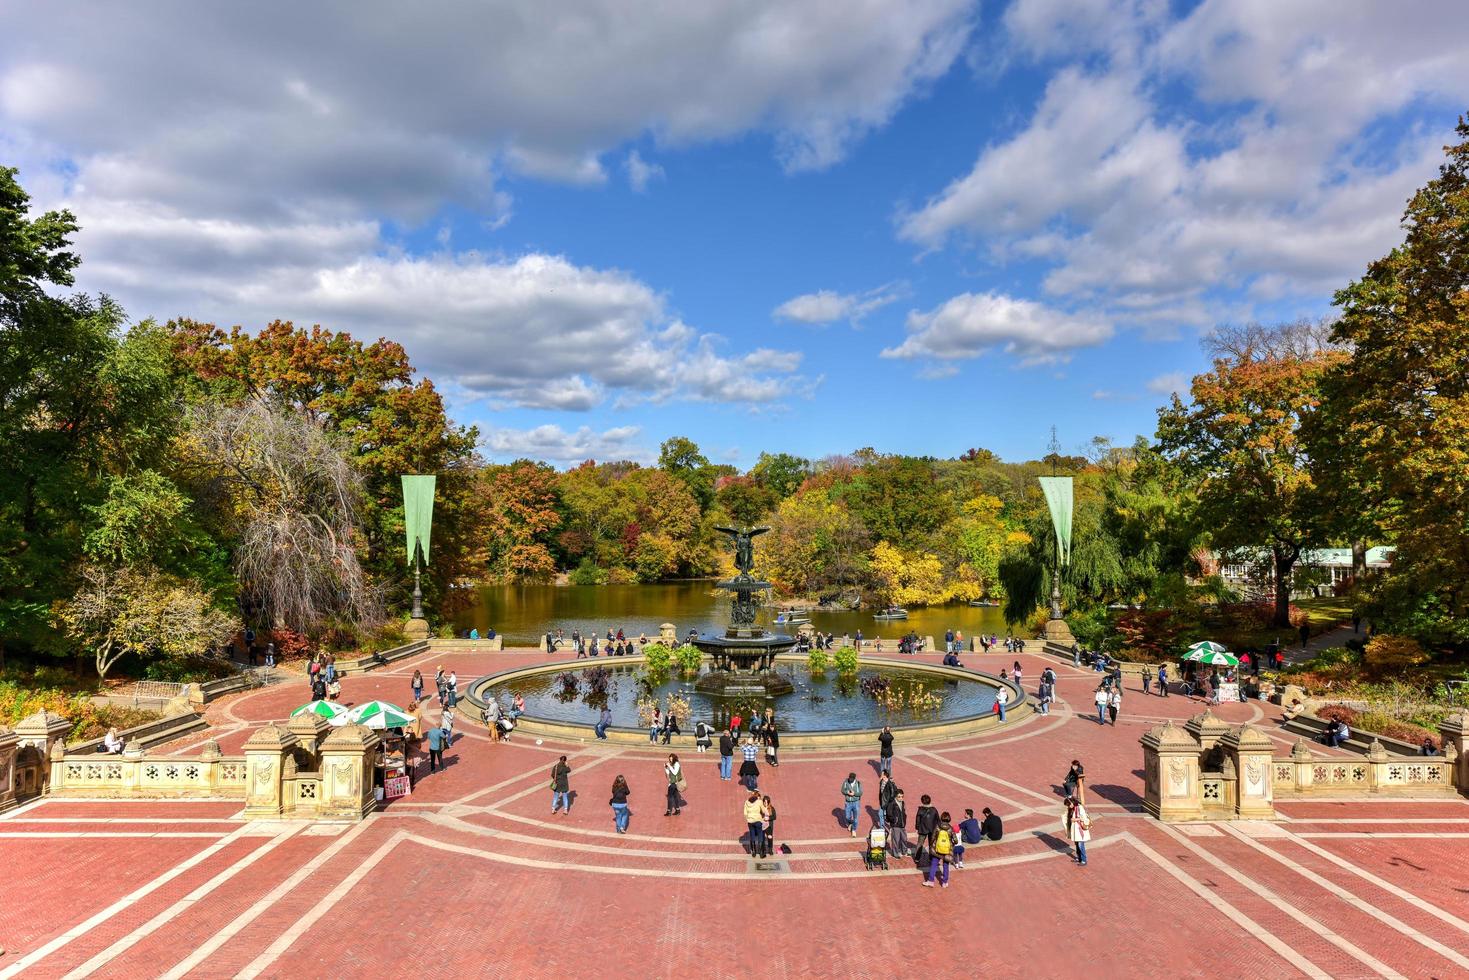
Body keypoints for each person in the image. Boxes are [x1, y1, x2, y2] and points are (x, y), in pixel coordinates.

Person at [927, 812, 956, 888]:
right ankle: (944, 882)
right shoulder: (950, 828)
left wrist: (931, 845)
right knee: (946, 866)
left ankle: (931, 881)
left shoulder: (937, 827)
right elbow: (955, 840)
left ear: (941, 818)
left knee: (934, 864)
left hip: (937, 849)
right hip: (947, 850)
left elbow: (932, 837)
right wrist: (952, 844)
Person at [1066, 795, 1091, 866]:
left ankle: (1083, 860)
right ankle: (1079, 857)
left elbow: (1084, 818)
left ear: (1072, 802)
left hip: (1080, 829)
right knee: (1077, 844)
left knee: (1080, 844)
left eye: (1068, 804)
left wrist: (1075, 819)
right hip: (1075, 829)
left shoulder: (1079, 808)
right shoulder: (1073, 808)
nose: (1068, 806)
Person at [885, 789, 910, 858]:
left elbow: (903, 812)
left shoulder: (903, 803)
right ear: (895, 797)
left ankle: (904, 851)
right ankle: (895, 854)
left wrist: (904, 819)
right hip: (895, 825)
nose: (901, 798)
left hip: (902, 824)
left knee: (904, 839)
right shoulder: (892, 804)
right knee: (896, 840)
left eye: (902, 796)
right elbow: (889, 814)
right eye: (899, 797)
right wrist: (894, 820)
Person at [744, 791, 766, 856]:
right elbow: (764, 810)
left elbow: (745, 813)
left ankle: (753, 852)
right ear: (757, 796)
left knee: (752, 835)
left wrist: (748, 818)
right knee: (760, 834)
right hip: (758, 820)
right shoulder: (759, 801)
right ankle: (761, 852)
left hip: (750, 821)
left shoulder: (746, 802)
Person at [841, 772, 863, 836]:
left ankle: (854, 830)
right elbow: (842, 790)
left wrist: (854, 793)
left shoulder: (858, 783)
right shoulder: (846, 782)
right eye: (849, 778)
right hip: (848, 802)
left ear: (854, 779)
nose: (850, 780)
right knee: (847, 817)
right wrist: (847, 792)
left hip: (856, 803)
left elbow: (861, 793)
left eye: (851, 779)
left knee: (856, 818)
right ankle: (850, 823)